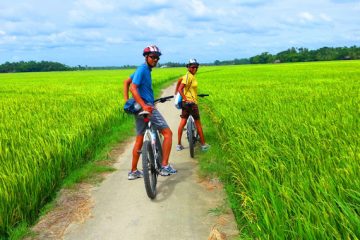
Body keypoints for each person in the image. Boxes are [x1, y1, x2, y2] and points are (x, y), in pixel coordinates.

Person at [127, 45, 177, 180]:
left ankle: (133, 171)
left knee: (139, 137)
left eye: (157, 57)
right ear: (146, 57)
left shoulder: (143, 70)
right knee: (167, 134)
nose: (155, 59)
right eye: (153, 57)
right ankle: (164, 165)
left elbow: (127, 82)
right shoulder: (143, 69)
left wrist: (128, 102)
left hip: (138, 107)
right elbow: (133, 87)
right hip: (146, 107)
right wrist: (144, 105)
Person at [176, 59, 210, 152]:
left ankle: (178, 145)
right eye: (192, 67)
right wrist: (186, 98)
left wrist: (183, 97)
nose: (194, 68)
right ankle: (203, 145)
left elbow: (179, 82)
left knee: (183, 122)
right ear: (188, 67)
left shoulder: (187, 76)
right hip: (191, 103)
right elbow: (180, 89)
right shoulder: (188, 76)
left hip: (186, 104)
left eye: (196, 67)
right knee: (198, 123)